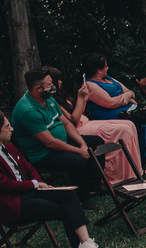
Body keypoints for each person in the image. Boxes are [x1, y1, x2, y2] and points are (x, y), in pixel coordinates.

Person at [0, 110, 111, 248]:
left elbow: (29, 168)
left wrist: (40, 183)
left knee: (69, 194)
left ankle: (85, 243)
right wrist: (35, 184)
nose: (12, 129)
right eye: (7, 126)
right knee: (67, 209)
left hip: (30, 192)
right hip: (14, 203)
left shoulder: (8, 147)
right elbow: (5, 185)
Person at [11, 68, 104, 204]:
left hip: (62, 142)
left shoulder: (49, 100)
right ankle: (82, 199)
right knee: (78, 161)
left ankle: (93, 188)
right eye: (49, 84)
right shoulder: (28, 111)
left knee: (97, 142)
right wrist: (79, 151)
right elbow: (50, 143)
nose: (53, 86)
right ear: (39, 88)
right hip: (43, 153)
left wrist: (82, 144)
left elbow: (67, 124)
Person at [50, 66, 142, 185]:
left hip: (86, 122)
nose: (60, 82)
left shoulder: (62, 95)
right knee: (123, 130)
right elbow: (73, 121)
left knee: (130, 124)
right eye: (57, 80)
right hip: (79, 128)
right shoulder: (53, 102)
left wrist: (84, 99)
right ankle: (119, 175)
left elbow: (80, 112)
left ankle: (135, 171)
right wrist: (80, 98)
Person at [81, 53, 146, 166]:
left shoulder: (108, 78)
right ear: (98, 70)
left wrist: (127, 95)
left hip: (128, 110)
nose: (108, 68)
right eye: (105, 66)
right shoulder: (90, 85)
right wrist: (126, 97)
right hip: (111, 116)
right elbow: (110, 104)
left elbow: (131, 92)